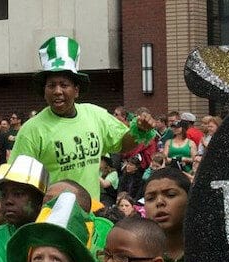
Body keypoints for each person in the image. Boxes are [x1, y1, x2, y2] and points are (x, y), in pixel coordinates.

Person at [12, 36, 161, 202]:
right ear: (44, 91)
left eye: (64, 84)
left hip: (91, 216)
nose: (57, 91)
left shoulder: (95, 115)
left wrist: (139, 129)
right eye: (51, 85)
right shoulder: (32, 129)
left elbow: (122, 144)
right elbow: (17, 181)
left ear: (76, 90)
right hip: (51, 219)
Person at [144, 167, 190, 262]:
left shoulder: (208, 254)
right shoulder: (137, 258)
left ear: (190, 199)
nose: (159, 202)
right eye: (150, 198)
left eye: (170, 195)